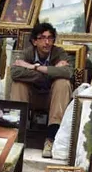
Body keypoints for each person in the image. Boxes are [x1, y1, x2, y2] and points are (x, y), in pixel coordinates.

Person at [10, 23, 73, 158]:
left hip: (52, 98)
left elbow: (68, 72)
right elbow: (15, 72)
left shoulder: (59, 52)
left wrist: (34, 67)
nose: (47, 42)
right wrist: (51, 72)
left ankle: (51, 138)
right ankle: (17, 134)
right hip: (32, 97)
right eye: (42, 38)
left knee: (62, 83)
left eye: (50, 38)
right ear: (34, 41)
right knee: (18, 84)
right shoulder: (27, 53)